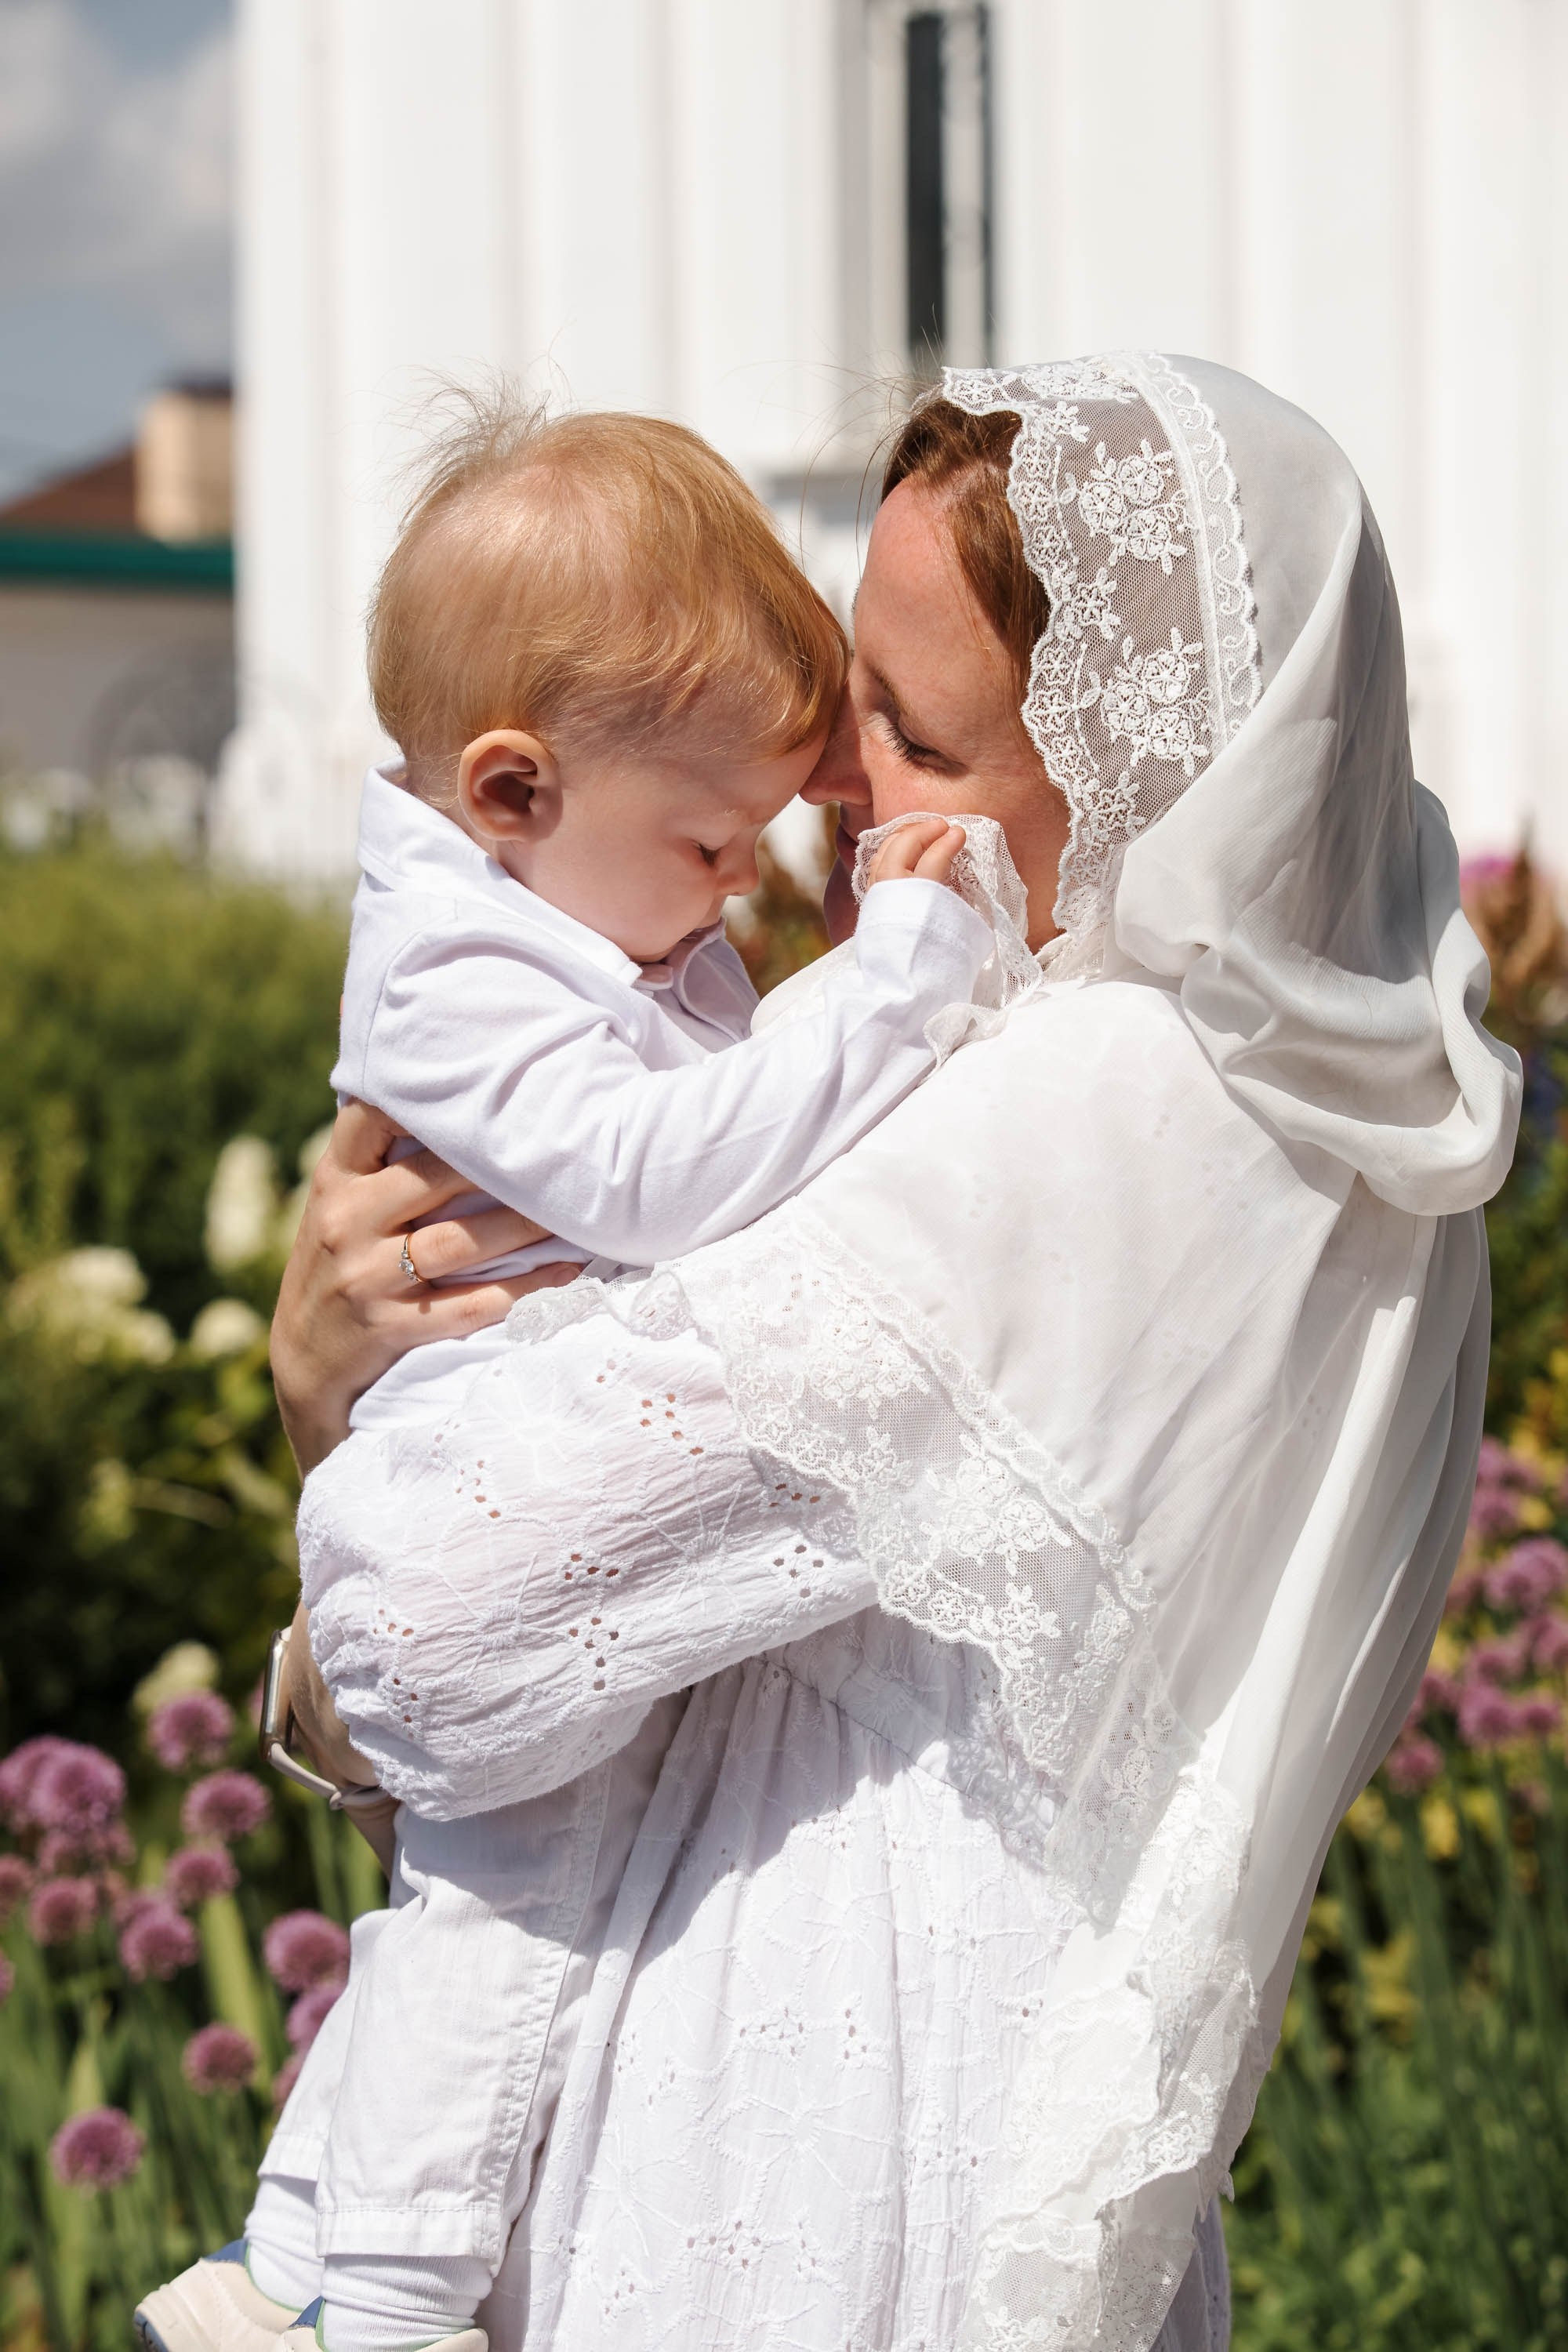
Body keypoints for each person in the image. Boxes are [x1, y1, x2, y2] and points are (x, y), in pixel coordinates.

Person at [192, 356, 1526, 2352]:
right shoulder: (1277, 1096)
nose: (822, 777)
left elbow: (435, 1637)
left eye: (907, 729)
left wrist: (332, 1429)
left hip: (796, 2159)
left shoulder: (1101, 1114)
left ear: (1143, 780)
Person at [136, 404, 1014, 2352]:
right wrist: (899, 974)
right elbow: (664, 1179)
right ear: (513, 783)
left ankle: (285, 2257)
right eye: (713, 841)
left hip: (497, 1464)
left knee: (469, 1905)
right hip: (463, 1479)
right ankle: (378, 2305)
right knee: (508, 1907)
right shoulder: (457, 974)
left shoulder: (563, 890)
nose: (741, 882)